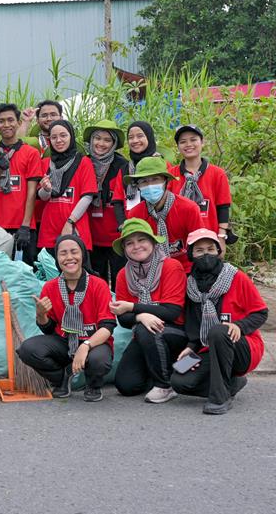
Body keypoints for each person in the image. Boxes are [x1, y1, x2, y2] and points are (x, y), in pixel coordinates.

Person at [171, 229, 268, 414]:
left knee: (218, 331)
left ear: (218, 251)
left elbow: (261, 313)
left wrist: (239, 326)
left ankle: (219, 398)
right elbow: (193, 323)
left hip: (242, 346)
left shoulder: (236, 277)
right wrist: (191, 347)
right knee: (178, 379)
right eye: (199, 250)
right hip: (207, 348)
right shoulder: (190, 285)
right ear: (191, 254)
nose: (206, 254)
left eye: (210, 249)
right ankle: (231, 383)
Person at [18, 234, 115, 401]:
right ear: (57, 258)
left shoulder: (98, 284)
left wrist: (85, 346)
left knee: (99, 360)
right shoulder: (50, 287)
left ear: (83, 255)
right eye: (63, 253)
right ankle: (61, 378)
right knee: (28, 349)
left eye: (74, 252)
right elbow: (48, 329)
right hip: (64, 341)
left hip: (94, 341)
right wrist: (41, 314)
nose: (69, 257)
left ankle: (93, 384)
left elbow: (107, 327)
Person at [110, 219, 188, 403]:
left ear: (153, 242)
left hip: (178, 333)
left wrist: (133, 308)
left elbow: (171, 312)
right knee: (126, 386)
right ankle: (166, 369)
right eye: (129, 243)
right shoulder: (123, 274)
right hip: (146, 335)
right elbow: (123, 320)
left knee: (145, 329)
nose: (136, 246)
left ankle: (165, 385)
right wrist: (140, 315)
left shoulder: (170, 266)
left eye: (141, 240)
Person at [0, 103, 42, 265]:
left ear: (19, 123)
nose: (6, 125)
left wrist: (26, 226)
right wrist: (0, 168)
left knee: (24, 275)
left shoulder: (31, 153)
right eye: (1, 121)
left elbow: (31, 192)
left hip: (22, 225)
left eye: (10, 120)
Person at [125, 156, 203, 269]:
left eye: (155, 179)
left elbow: (199, 245)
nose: (150, 185)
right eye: (144, 181)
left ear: (166, 181)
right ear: (138, 186)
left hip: (186, 269)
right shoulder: (135, 214)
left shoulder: (188, 208)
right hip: (151, 271)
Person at [36, 119, 98, 255]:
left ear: (71, 136)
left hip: (75, 228)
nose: (58, 140)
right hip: (49, 230)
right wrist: (46, 189)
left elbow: (87, 196)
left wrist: (70, 221)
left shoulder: (83, 162)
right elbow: (42, 197)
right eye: (54, 137)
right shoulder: (45, 163)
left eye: (63, 135)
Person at [83, 120, 129, 288]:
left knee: (120, 282)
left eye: (107, 140)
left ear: (114, 144)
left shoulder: (123, 166)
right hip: (91, 236)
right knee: (96, 284)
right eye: (97, 138)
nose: (101, 144)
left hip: (118, 237)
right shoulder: (83, 163)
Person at [168, 124, 233, 240]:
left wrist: (222, 237)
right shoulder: (171, 175)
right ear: (178, 146)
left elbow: (223, 207)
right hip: (179, 240)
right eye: (183, 142)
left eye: (193, 140)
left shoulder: (217, 174)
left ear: (202, 142)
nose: (188, 145)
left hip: (208, 240)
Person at [122, 120, 178, 211]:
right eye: (131, 137)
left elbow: (172, 194)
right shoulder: (125, 168)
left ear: (149, 137)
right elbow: (118, 200)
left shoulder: (162, 164)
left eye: (140, 136)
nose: (135, 140)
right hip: (131, 220)